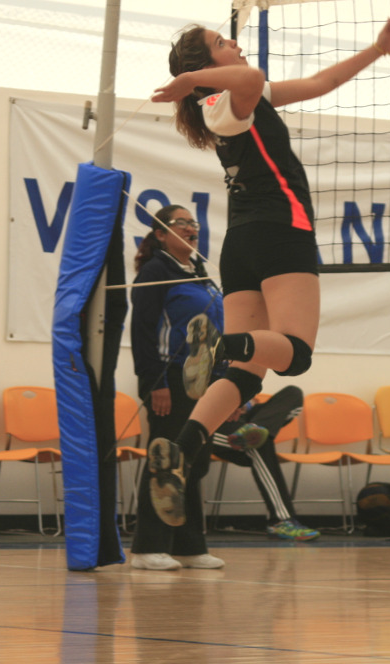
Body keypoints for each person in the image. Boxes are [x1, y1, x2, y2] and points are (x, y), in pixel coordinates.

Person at [144, 17, 390, 527]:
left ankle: (183, 448)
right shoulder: (226, 101)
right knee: (297, 356)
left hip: (243, 242)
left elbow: (320, 84)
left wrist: (377, 50)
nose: (237, 45)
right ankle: (219, 344)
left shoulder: (226, 101)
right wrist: (191, 82)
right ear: (204, 69)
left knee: (246, 376)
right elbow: (248, 79)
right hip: (280, 231)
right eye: (224, 44)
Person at [128, 204, 229, 570]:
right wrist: (153, 383)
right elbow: (142, 331)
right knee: (166, 458)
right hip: (168, 379)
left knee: (194, 461)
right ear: (160, 233)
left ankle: (189, 546)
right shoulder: (155, 273)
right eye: (182, 223)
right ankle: (147, 547)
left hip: (203, 381)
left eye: (194, 223)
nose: (192, 228)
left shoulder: (201, 273)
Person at [213, 385, 320, 541]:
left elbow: (251, 399)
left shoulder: (236, 367)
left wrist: (243, 404)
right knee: (259, 444)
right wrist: (226, 406)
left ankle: (256, 428)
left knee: (293, 393)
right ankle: (282, 520)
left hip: (240, 419)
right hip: (212, 425)